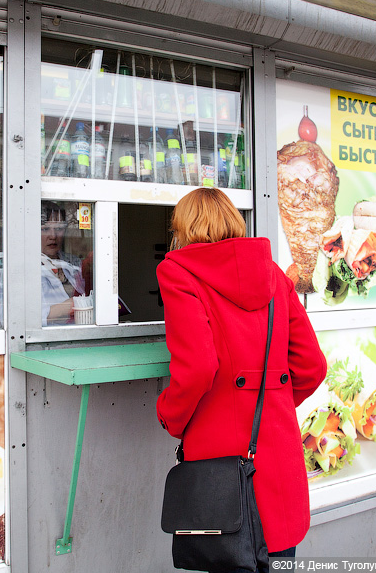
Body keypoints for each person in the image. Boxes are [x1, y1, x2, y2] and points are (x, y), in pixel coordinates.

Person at [155, 187, 327, 559]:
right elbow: (312, 366)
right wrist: (270, 401)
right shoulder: (275, 276)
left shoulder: (177, 272)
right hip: (279, 456)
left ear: (183, 229)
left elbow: (198, 367)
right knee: (280, 561)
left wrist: (170, 415)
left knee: (229, 560)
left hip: (221, 464)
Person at [40, 201, 86, 325]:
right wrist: (69, 306)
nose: (53, 236)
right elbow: (17, 320)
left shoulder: (73, 262)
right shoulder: (22, 268)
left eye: (59, 229)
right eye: (45, 229)